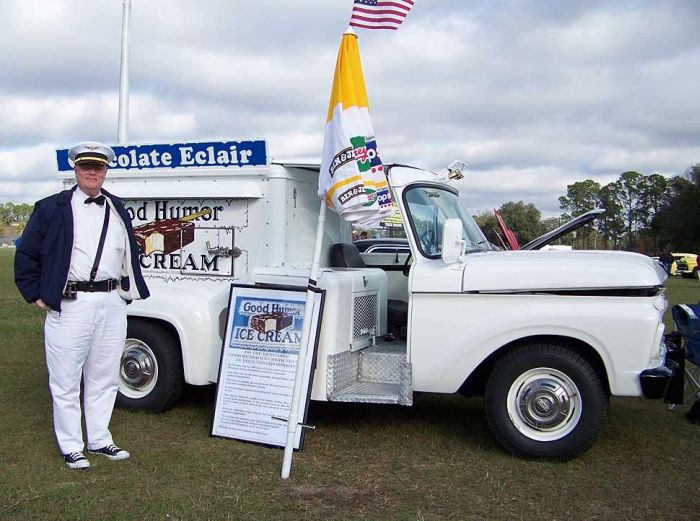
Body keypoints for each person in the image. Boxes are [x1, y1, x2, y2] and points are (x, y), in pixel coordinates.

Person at [14, 142, 150, 469]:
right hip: (70, 303)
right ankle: (72, 445)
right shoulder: (50, 208)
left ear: (105, 170)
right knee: (65, 379)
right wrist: (35, 293)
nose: (92, 172)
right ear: (75, 169)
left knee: (104, 376)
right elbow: (26, 255)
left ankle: (100, 439)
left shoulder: (117, 207)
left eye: (99, 167)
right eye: (86, 166)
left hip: (111, 302)